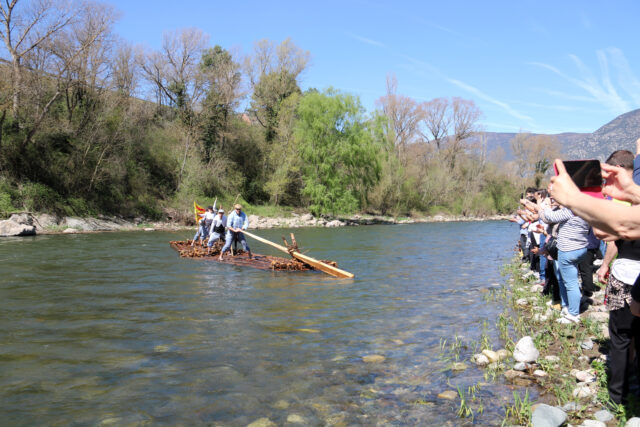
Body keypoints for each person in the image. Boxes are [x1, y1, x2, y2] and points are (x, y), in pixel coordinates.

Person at [548, 153, 640, 317]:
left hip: (627, 276)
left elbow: (609, 231)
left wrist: (574, 198)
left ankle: (573, 313)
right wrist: (633, 192)